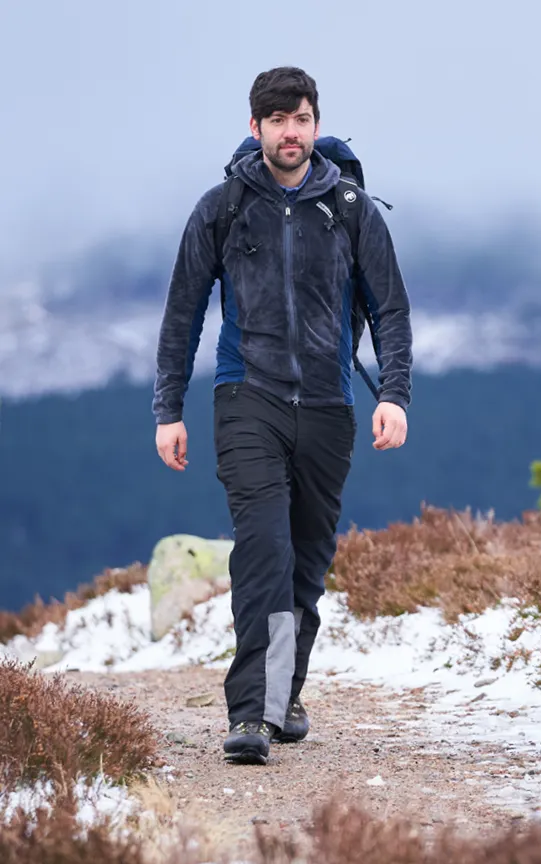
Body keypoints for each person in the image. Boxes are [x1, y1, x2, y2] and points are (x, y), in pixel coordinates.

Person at [151, 66, 414, 764]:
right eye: (276, 121)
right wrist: (167, 409)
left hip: (329, 407)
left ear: (316, 124)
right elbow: (182, 313)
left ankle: (283, 694)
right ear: (255, 128)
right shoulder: (223, 207)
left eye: (299, 119)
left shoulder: (353, 208)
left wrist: (393, 395)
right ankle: (253, 716)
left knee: (304, 566)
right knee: (264, 550)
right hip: (247, 398)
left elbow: (391, 309)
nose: (289, 132)